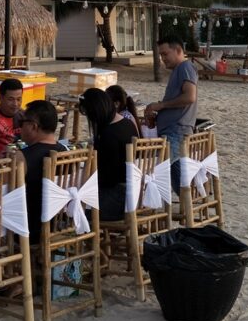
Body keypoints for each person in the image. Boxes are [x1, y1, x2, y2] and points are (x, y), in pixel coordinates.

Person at [80, 88, 138, 221]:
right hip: (134, 195)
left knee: (73, 208)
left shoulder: (108, 134)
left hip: (116, 200)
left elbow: (107, 177)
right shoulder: (127, 124)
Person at [13, 100, 65, 244]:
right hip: (60, 224)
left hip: (29, 228)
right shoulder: (66, 153)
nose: (19, 128)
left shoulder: (22, 157)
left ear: (33, 126)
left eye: (22, 123)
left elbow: (2, 191)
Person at [144, 37, 198, 160]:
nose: (162, 58)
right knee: (171, 176)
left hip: (175, 132)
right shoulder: (178, 70)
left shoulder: (185, 66)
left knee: (158, 173)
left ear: (178, 51)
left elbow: (190, 97)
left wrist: (162, 105)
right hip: (172, 132)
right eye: (161, 55)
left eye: (165, 54)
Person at [0, 78, 23, 156]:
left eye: (19, 99)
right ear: (0, 98)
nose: (15, 104)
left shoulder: (25, 116)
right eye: (11, 99)